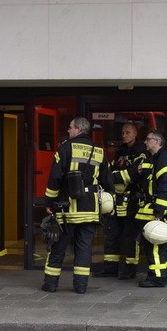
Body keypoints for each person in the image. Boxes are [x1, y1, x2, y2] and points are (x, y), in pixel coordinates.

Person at [42, 117, 114, 294]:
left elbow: (55, 178)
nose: (68, 131)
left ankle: (50, 285)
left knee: (58, 246)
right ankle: (81, 286)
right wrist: (110, 203)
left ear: (78, 129)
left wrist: (49, 202)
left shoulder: (65, 148)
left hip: (66, 208)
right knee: (84, 247)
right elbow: (108, 181)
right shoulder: (99, 151)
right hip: (90, 208)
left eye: (70, 127)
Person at [117, 130, 167, 288]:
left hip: (156, 210)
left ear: (156, 142)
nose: (145, 142)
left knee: (154, 244)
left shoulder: (164, 160)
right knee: (161, 244)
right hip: (151, 209)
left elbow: (166, 188)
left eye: (148, 140)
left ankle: (157, 277)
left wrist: (159, 212)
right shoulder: (153, 158)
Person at [96, 122, 146, 278]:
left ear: (135, 133)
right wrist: (120, 176)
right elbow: (109, 172)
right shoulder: (119, 153)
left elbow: (136, 174)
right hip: (116, 202)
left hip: (131, 202)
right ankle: (110, 269)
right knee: (112, 236)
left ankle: (130, 271)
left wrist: (116, 176)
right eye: (123, 133)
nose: (124, 135)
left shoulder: (141, 153)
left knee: (130, 237)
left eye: (128, 132)